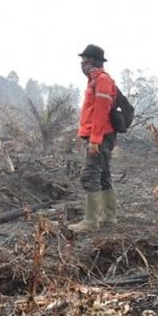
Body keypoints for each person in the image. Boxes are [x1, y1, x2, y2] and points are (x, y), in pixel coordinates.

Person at [68, 44, 118, 232]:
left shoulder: (102, 80)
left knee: (90, 175)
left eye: (86, 60)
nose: (82, 64)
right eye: (82, 60)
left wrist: (95, 139)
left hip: (101, 136)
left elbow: (100, 112)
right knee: (103, 175)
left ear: (96, 62)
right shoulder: (93, 81)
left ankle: (90, 221)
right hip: (100, 135)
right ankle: (109, 216)